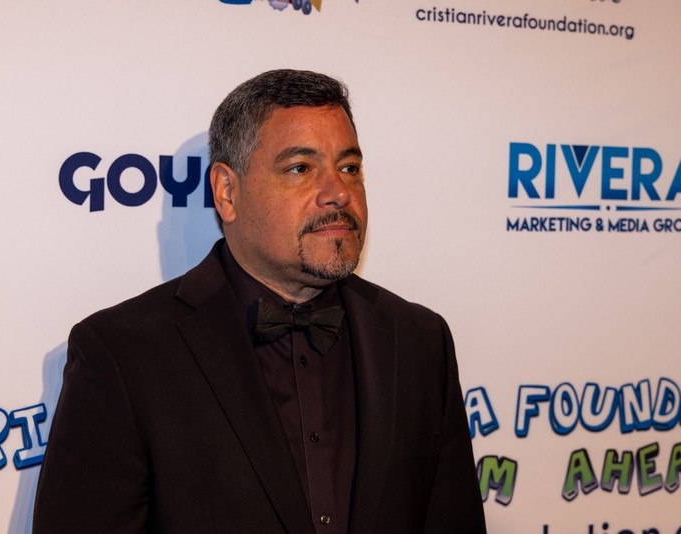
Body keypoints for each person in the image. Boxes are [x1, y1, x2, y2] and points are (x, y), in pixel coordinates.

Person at [33, 69, 486, 533]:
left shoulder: (419, 340)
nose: (339, 192)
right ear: (227, 193)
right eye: (300, 168)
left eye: (349, 167)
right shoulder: (122, 355)